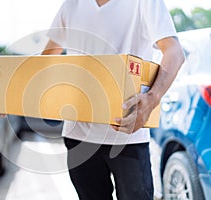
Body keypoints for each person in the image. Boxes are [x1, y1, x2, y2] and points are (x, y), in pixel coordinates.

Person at [42, 0, 185, 199]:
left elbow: (174, 52)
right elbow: (46, 60)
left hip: (127, 134)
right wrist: (5, 100)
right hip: (78, 135)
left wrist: (152, 99)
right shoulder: (71, 5)